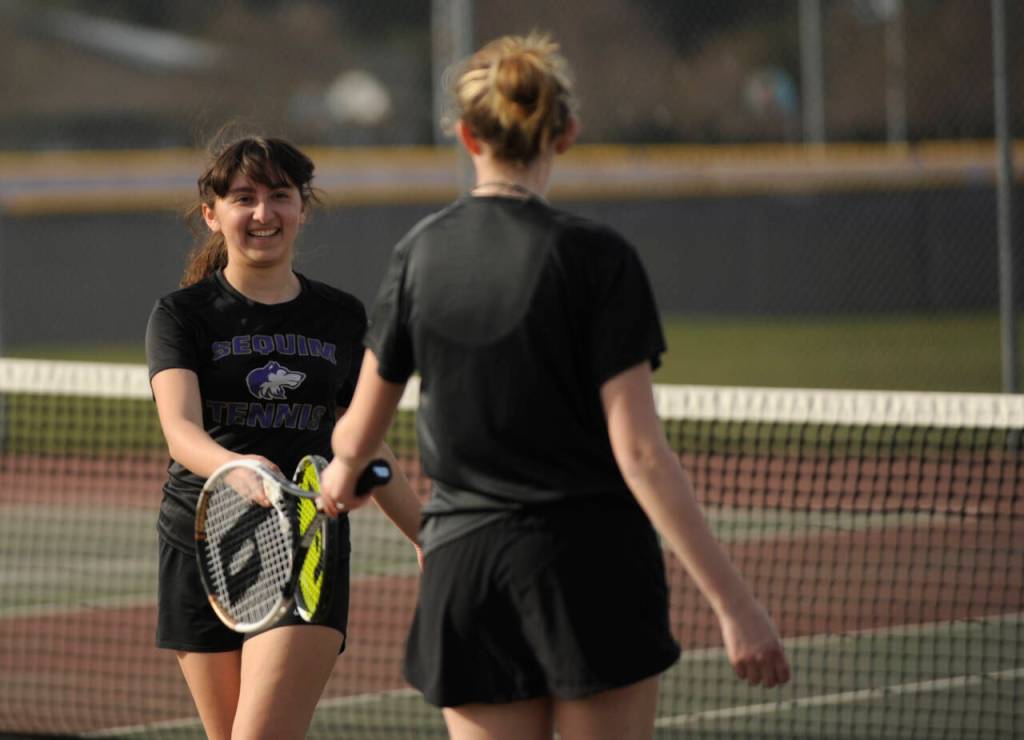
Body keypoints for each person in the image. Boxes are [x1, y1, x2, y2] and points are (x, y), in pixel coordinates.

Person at [318, 32, 790, 740]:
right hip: (591, 566)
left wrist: (342, 476)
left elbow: (357, 433)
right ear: (565, 133)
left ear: (466, 135)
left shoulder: (419, 253)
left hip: (467, 571)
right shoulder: (598, 259)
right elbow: (640, 454)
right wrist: (736, 606)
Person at [145, 134, 422, 740]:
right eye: (244, 198)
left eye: (279, 195)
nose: (263, 213)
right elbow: (181, 430)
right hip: (200, 542)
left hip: (306, 545)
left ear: (303, 207)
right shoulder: (181, 315)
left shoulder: (342, 317)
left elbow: (364, 440)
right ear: (213, 215)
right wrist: (236, 468)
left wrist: (427, 537)